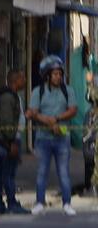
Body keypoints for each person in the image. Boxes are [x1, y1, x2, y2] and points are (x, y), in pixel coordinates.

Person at [27, 55, 78, 216]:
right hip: (43, 139)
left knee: (63, 172)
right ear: (48, 75)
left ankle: (67, 203)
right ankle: (40, 202)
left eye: (60, 74)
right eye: (55, 74)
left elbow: (73, 110)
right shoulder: (38, 91)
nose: (58, 77)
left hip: (62, 138)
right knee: (42, 172)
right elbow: (31, 113)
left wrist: (57, 119)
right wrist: (47, 121)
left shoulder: (67, 90)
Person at [0, 70, 28, 215]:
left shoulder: (13, 96)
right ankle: (11, 204)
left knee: (1, 174)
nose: (25, 80)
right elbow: (6, 123)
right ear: (15, 80)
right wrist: (11, 143)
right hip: (7, 142)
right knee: (7, 175)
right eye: (22, 78)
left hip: (8, 141)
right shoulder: (7, 97)